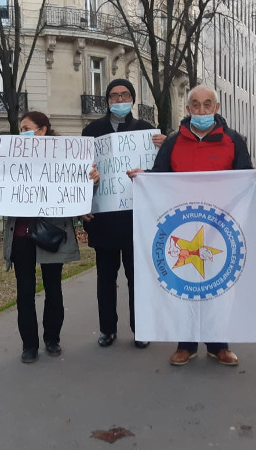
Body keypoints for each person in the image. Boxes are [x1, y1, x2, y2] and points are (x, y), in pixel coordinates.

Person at [128, 85, 256, 367]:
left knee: (220, 287)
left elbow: (244, 176)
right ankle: (186, 344)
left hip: (221, 228)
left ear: (216, 108)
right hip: (182, 227)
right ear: (188, 108)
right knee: (184, 284)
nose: (201, 110)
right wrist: (144, 178)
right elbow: (160, 176)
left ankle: (219, 345)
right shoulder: (173, 142)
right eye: (195, 104)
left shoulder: (233, 140)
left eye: (207, 104)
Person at [0, 111, 99, 363]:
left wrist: (91, 181)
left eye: (27, 128)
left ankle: (52, 339)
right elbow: (0, 188)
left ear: (43, 130)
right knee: (24, 291)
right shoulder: (10, 156)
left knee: (53, 288)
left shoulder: (64, 156)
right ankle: (29, 345)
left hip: (50, 232)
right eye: (21, 128)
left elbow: (75, 189)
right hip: (21, 234)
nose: (22, 132)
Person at [81, 78, 165, 349]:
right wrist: (82, 207)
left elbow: (161, 172)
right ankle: (107, 329)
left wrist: (165, 146)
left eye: (124, 95)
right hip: (104, 219)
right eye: (114, 96)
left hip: (135, 219)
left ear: (132, 99)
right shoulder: (91, 131)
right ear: (107, 100)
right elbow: (80, 173)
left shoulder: (146, 131)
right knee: (105, 279)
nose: (119, 100)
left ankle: (141, 329)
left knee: (137, 278)